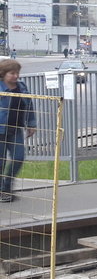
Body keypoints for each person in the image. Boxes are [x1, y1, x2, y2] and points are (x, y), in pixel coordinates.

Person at [0, 59, 37, 202]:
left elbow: (28, 105)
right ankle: (2, 192)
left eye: (17, 73)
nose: (16, 76)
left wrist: (31, 124)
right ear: (3, 74)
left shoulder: (21, 87)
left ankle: (7, 186)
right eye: (12, 73)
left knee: (19, 157)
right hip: (0, 130)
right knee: (0, 162)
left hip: (15, 130)